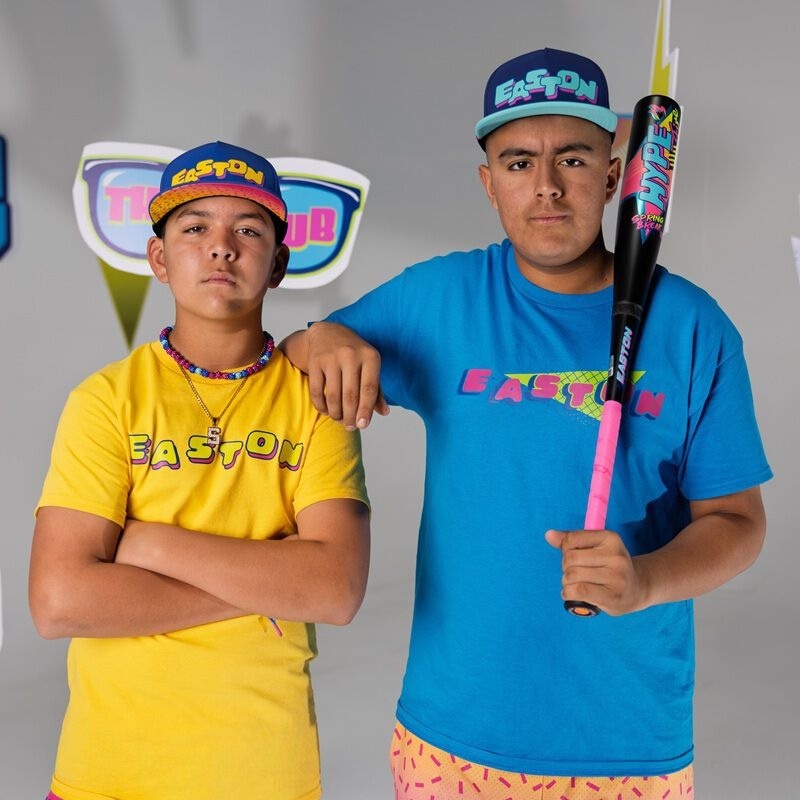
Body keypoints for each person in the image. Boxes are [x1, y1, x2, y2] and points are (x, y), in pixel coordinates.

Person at [281, 48, 771, 798]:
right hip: (453, 737)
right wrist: (316, 336)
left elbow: (738, 521)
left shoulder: (693, 326)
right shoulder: (440, 298)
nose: (546, 185)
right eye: (518, 162)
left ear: (614, 175)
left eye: (572, 157)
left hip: (628, 744)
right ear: (490, 183)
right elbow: (300, 356)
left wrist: (645, 579)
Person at [29, 141, 371, 800]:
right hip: (107, 776)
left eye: (248, 230)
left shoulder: (315, 399)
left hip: (264, 775)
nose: (221, 248)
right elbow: (60, 600)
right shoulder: (106, 399)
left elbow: (335, 590)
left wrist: (151, 545)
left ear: (278, 264)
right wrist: (272, 582)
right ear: (159, 259)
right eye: (194, 228)